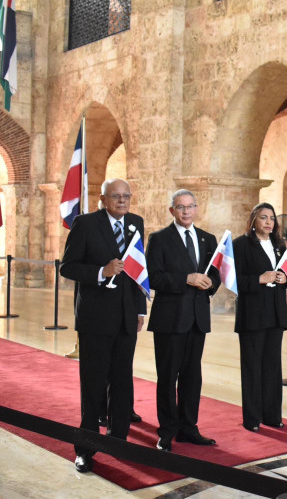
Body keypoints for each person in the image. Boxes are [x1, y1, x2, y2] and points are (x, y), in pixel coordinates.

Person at [60, 178, 147, 473]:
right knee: (94, 384)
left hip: (126, 317)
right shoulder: (85, 223)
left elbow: (139, 269)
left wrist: (139, 309)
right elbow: (68, 267)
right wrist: (101, 271)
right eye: (116, 196)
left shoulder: (136, 223)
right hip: (95, 319)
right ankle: (86, 448)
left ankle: (118, 440)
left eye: (126, 196)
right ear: (104, 198)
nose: (122, 201)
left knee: (122, 381)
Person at [146, 189, 221, 451]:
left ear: (196, 209)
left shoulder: (207, 239)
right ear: (172, 211)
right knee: (168, 376)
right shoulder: (159, 239)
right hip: (169, 319)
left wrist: (211, 283)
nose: (186, 211)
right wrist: (185, 279)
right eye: (180, 207)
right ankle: (167, 430)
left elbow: (216, 273)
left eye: (190, 206)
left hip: (197, 319)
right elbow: (153, 277)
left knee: (192, 376)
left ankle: (189, 428)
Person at [232, 203, 287, 432]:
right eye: (263, 217)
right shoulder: (241, 245)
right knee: (252, 367)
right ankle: (252, 419)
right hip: (252, 314)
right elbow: (234, 280)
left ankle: (272, 416)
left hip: (275, 314)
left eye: (272, 218)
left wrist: (284, 279)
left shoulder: (279, 244)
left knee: (272, 367)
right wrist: (259, 278)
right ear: (254, 220)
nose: (268, 222)